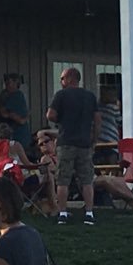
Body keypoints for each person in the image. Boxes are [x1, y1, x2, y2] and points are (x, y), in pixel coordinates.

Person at [44, 67, 100, 225]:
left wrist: (62, 119)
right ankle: (89, 213)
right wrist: (94, 140)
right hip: (84, 143)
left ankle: (63, 213)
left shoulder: (61, 95)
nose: (61, 82)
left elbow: (50, 115)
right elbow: (97, 120)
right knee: (87, 180)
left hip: (66, 142)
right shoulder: (89, 96)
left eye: (62, 79)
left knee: (63, 180)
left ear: (69, 79)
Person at [0, 73, 32, 149]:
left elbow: (7, 113)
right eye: (6, 82)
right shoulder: (5, 95)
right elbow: (5, 114)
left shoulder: (17, 95)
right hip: (11, 136)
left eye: (9, 82)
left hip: (17, 135)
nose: (7, 85)